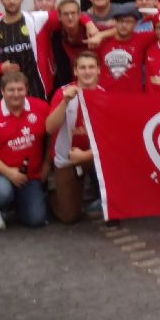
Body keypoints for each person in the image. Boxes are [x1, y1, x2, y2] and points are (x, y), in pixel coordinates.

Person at [0, 71, 49, 231]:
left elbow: (52, 137)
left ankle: (17, 203)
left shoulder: (41, 107)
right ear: (2, 91)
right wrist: (10, 173)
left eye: (20, 89)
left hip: (30, 175)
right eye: (11, 90)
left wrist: (47, 164)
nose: (16, 94)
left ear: (26, 89)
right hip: (1, 172)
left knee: (36, 220)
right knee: (2, 192)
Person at [46, 50, 104, 226]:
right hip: (67, 159)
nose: (87, 72)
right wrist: (64, 102)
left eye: (91, 67)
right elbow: (50, 128)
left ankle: (103, 199)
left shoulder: (104, 95)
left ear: (99, 70)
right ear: (76, 71)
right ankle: (53, 193)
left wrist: (86, 156)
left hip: (91, 156)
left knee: (119, 162)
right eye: (83, 68)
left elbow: (110, 142)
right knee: (69, 217)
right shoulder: (63, 93)